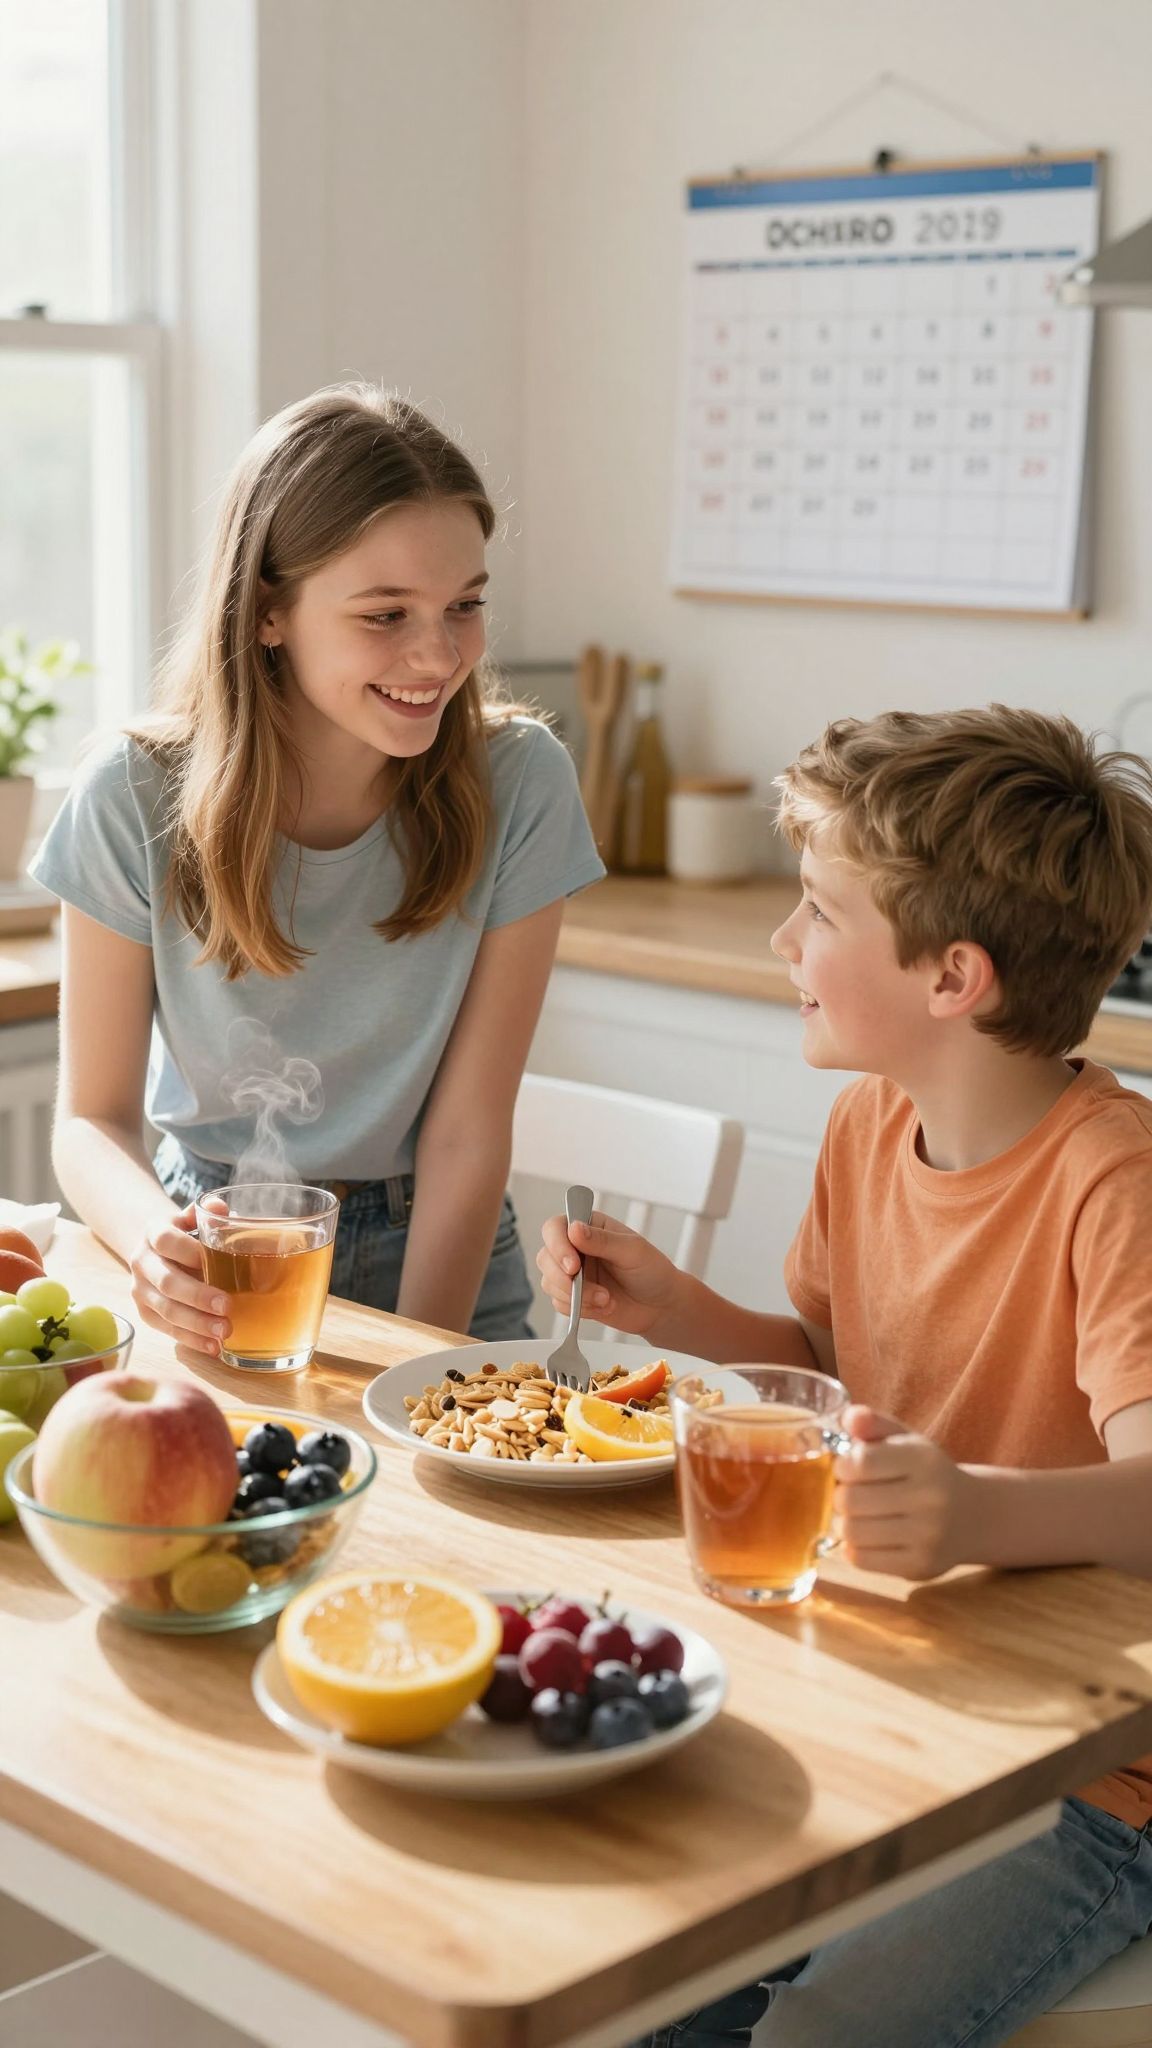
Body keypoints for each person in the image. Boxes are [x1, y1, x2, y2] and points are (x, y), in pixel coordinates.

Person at [538, 707, 1152, 2048]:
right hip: (896, 1700)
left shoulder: (1115, 1181)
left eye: (816, 911)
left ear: (954, 980)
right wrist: (686, 1313)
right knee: (625, 1986)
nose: (783, 943)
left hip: (1091, 1782)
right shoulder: (870, 1121)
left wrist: (976, 1516)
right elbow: (826, 1364)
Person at [34, 383, 604, 1357]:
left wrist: (420, 1362)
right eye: (386, 614)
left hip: (440, 1250)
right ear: (268, 613)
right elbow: (92, 1118)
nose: (439, 654)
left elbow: (469, 1131)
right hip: (209, 1248)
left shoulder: (521, 782)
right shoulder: (131, 792)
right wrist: (152, 1249)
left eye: (464, 604)